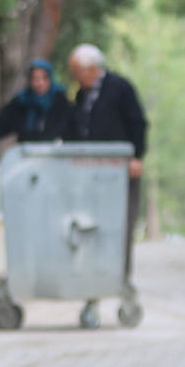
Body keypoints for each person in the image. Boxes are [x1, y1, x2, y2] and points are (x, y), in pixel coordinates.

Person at [66, 43, 149, 282]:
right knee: (91, 224)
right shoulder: (82, 95)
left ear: (91, 68)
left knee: (120, 225)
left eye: (76, 71)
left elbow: (138, 123)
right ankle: (92, 274)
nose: (74, 77)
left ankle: (120, 277)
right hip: (90, 173)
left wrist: (136, 156)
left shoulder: (119, 88)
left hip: (119, 170)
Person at [0, 57, 79, 148]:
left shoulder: (61, 102)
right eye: (35, 78)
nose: (39, 83)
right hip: (26, 159)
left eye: (43, 78)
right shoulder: (22, 103)